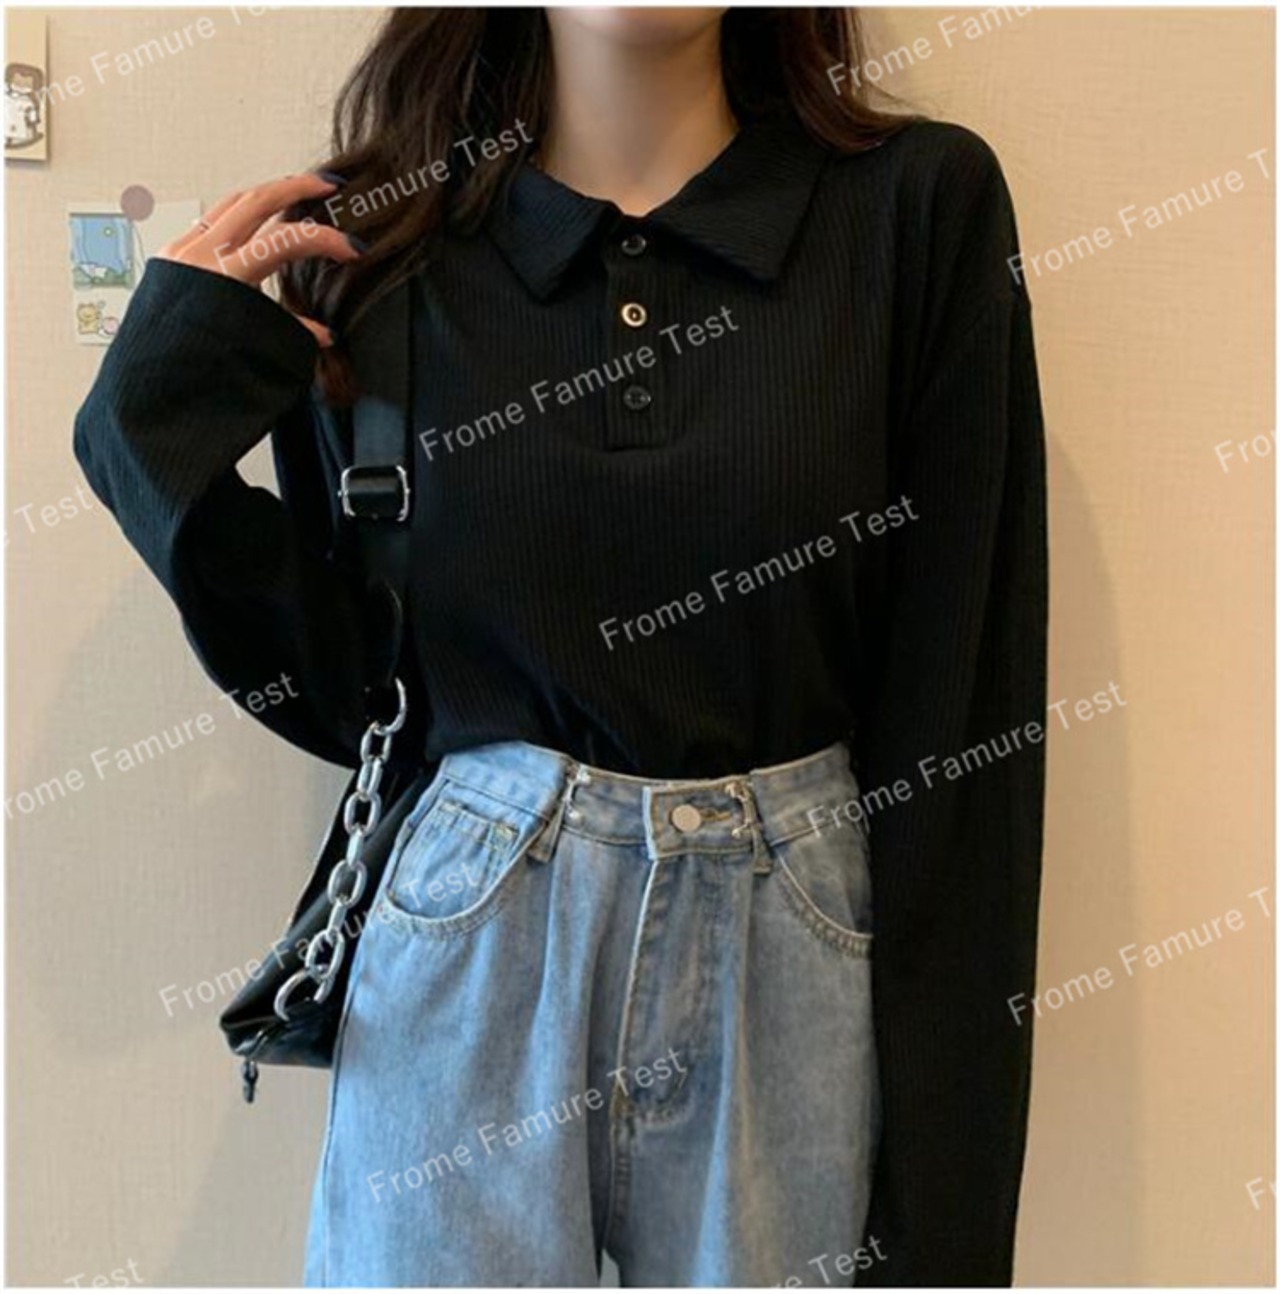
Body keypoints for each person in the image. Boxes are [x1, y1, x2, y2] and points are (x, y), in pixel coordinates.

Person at [73, 7, 1048, 1287]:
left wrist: (945, 1226)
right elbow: (351, 696)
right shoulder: (381, 247)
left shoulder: (914, 209)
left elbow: (963, 727)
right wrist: (149, 415)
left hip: (792, 955)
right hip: (466, 943)